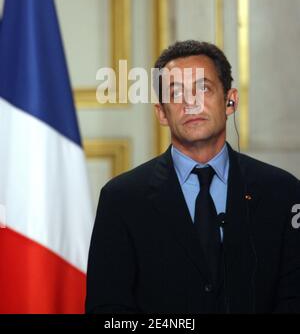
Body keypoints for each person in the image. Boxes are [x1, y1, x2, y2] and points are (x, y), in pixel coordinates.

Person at [86, 40, 300, 313]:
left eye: (203, 88)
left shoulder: (283, 192)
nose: (190, 103)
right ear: (161, 112)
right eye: (176, 93)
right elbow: (108, 311)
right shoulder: (121, 198)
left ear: (230, 100)